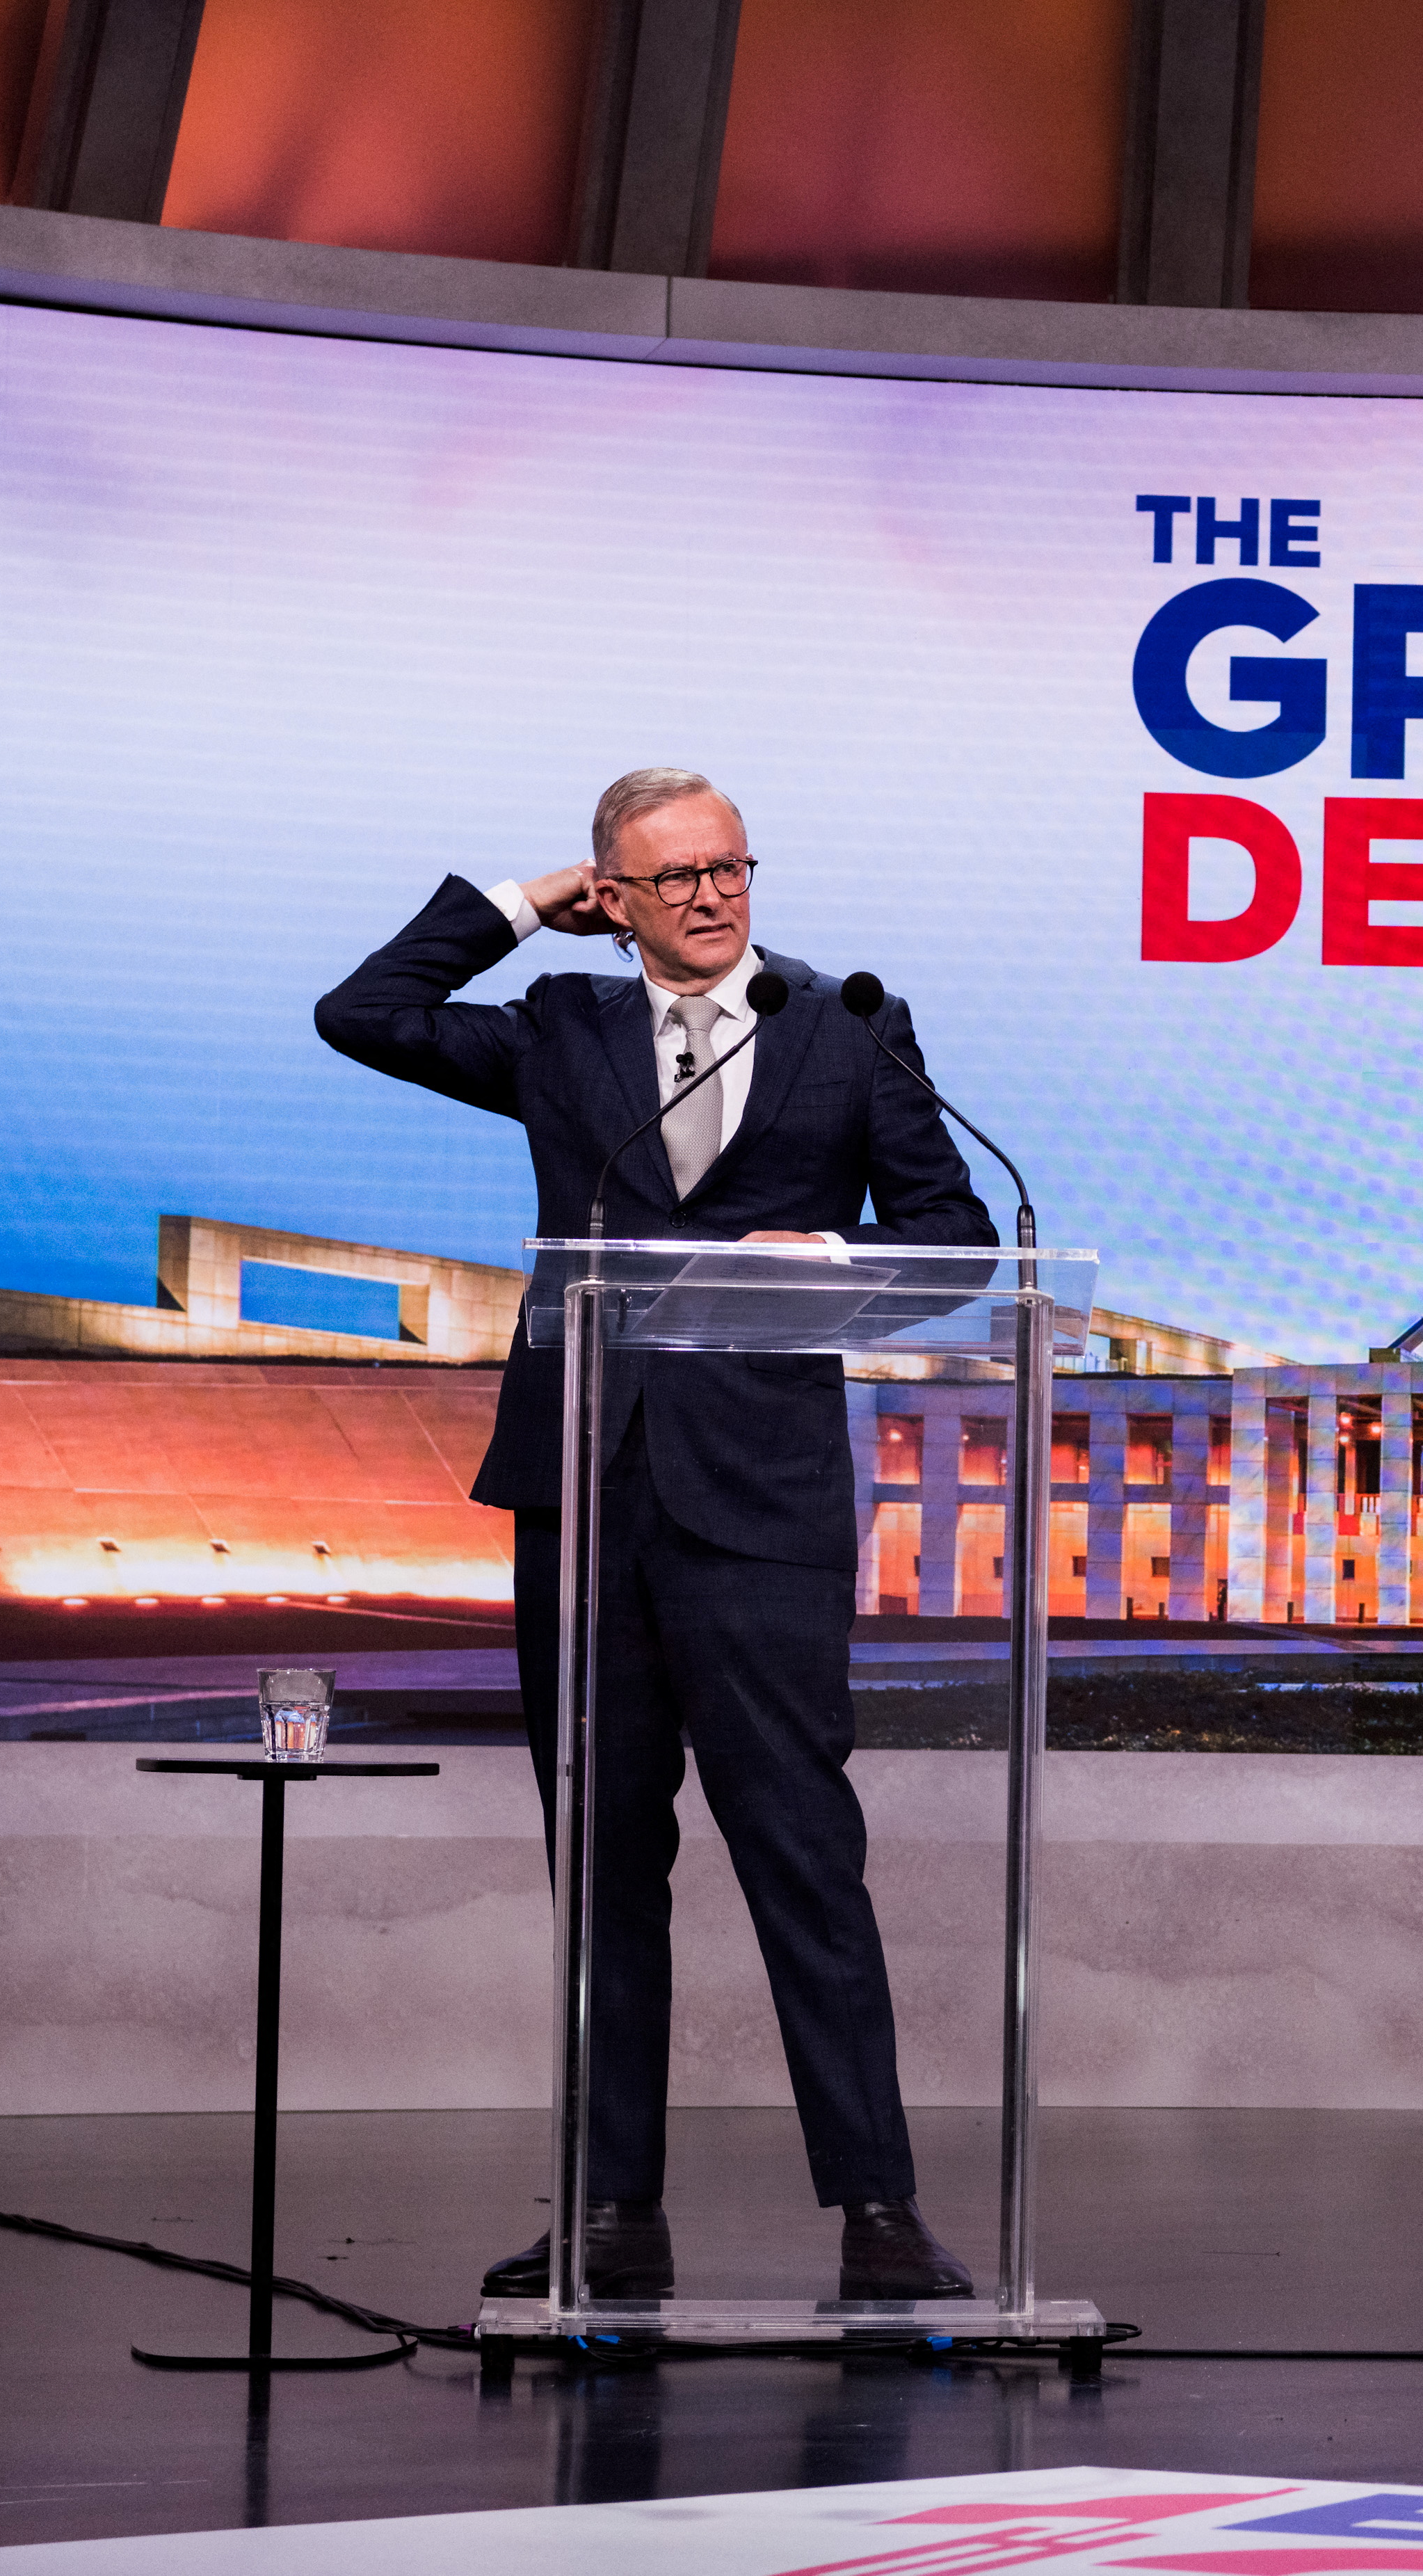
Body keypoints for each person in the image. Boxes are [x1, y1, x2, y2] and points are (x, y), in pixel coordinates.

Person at [316, 767, 997, 2305]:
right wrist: (518, 903)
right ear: (613, 897)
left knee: (806, 1858)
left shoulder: (851, 1026)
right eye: (673, 875)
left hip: (761, 1506)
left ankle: (879, 2213)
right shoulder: (560, 1030)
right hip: (586, 1492)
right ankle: (611, 2212)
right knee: (606, 1868)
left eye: (731, 866)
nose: (713, 894)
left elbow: (960, 1235)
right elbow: (361, 1011)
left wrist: (830, 1250)